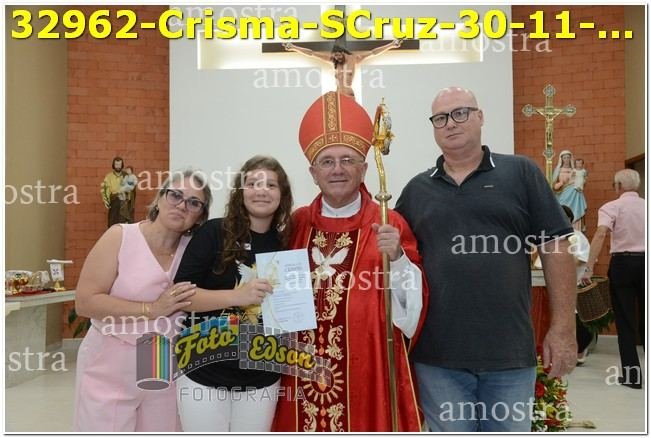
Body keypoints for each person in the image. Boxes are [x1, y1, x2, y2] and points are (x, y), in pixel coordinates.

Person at [395, 87, 577, 432]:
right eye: (440, 118)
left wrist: (564, 327)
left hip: (508, 354)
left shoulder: (521, 173)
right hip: (438, 356)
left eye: (460, 113)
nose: (451, 123)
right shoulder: (417, 191)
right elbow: (397, 262)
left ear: (480, 117)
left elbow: (555, 246)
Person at [272, 91, 427, 432]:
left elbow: (411, 312)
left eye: (347, 160)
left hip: (369, 370)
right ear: (313, 172)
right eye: (327, 162)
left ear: (364, 168)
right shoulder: (297, 223)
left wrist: (399, 259)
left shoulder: (388, 222)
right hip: (301, 369)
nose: (338, 170)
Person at [74, 169, 212, 432]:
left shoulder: (194, 250)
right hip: (111, 357)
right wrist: (152, 309)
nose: (182, 206)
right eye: (176, 195)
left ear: (200, 216)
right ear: (159, 198)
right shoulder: (120, 236)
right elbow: (85, 302)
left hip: (161, 356)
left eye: (194, 203)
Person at [173, 156, 294, 432]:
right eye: (253, 184)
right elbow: (181, 296)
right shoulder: (214, 232)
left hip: (262, 377)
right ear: (241, 191)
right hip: (203, 370)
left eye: (271, 185)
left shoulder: (287, 244)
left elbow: (287, 313)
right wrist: (237, 297)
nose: (261, 191)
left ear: (282, 194)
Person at [581, 169, 644, 389]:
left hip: (623, 265)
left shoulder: (611, 207)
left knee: (625, 321)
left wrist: (589, 267)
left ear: (618, 186)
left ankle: (633, 378)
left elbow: (600, 234)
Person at [283, 39, 402, 97]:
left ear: (343, 52)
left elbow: (373, 52)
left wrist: (391, 45)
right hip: (337, 96)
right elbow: (312, 53)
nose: (337, 58)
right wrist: (293, 47)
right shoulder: (333, 60)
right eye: (335, 56)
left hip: (349, 95)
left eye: (339, 55)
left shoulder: (354, 58)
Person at [552, 150, 587, 230]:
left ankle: (576, 229)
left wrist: (583, 180)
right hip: (563, 194)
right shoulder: (558, 170)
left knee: (576, 211)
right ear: (561, 159)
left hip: (575, 194)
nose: (566, 160)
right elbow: (554, 186)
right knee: (563, 212)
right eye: (565, 158)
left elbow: (581, 181)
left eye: (568, 158)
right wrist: (561, 183)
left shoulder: (574, 170)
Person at [101, 156, 126, 227]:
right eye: (116, 164)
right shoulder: (109, 177)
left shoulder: (126, 176)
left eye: (119, 164)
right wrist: (106, 201)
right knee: (112, 222)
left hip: (124, 203)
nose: (118, 166)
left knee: (123, 224)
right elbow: (105, 190)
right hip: (114, 201)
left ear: (122, 165)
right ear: (113, 165)